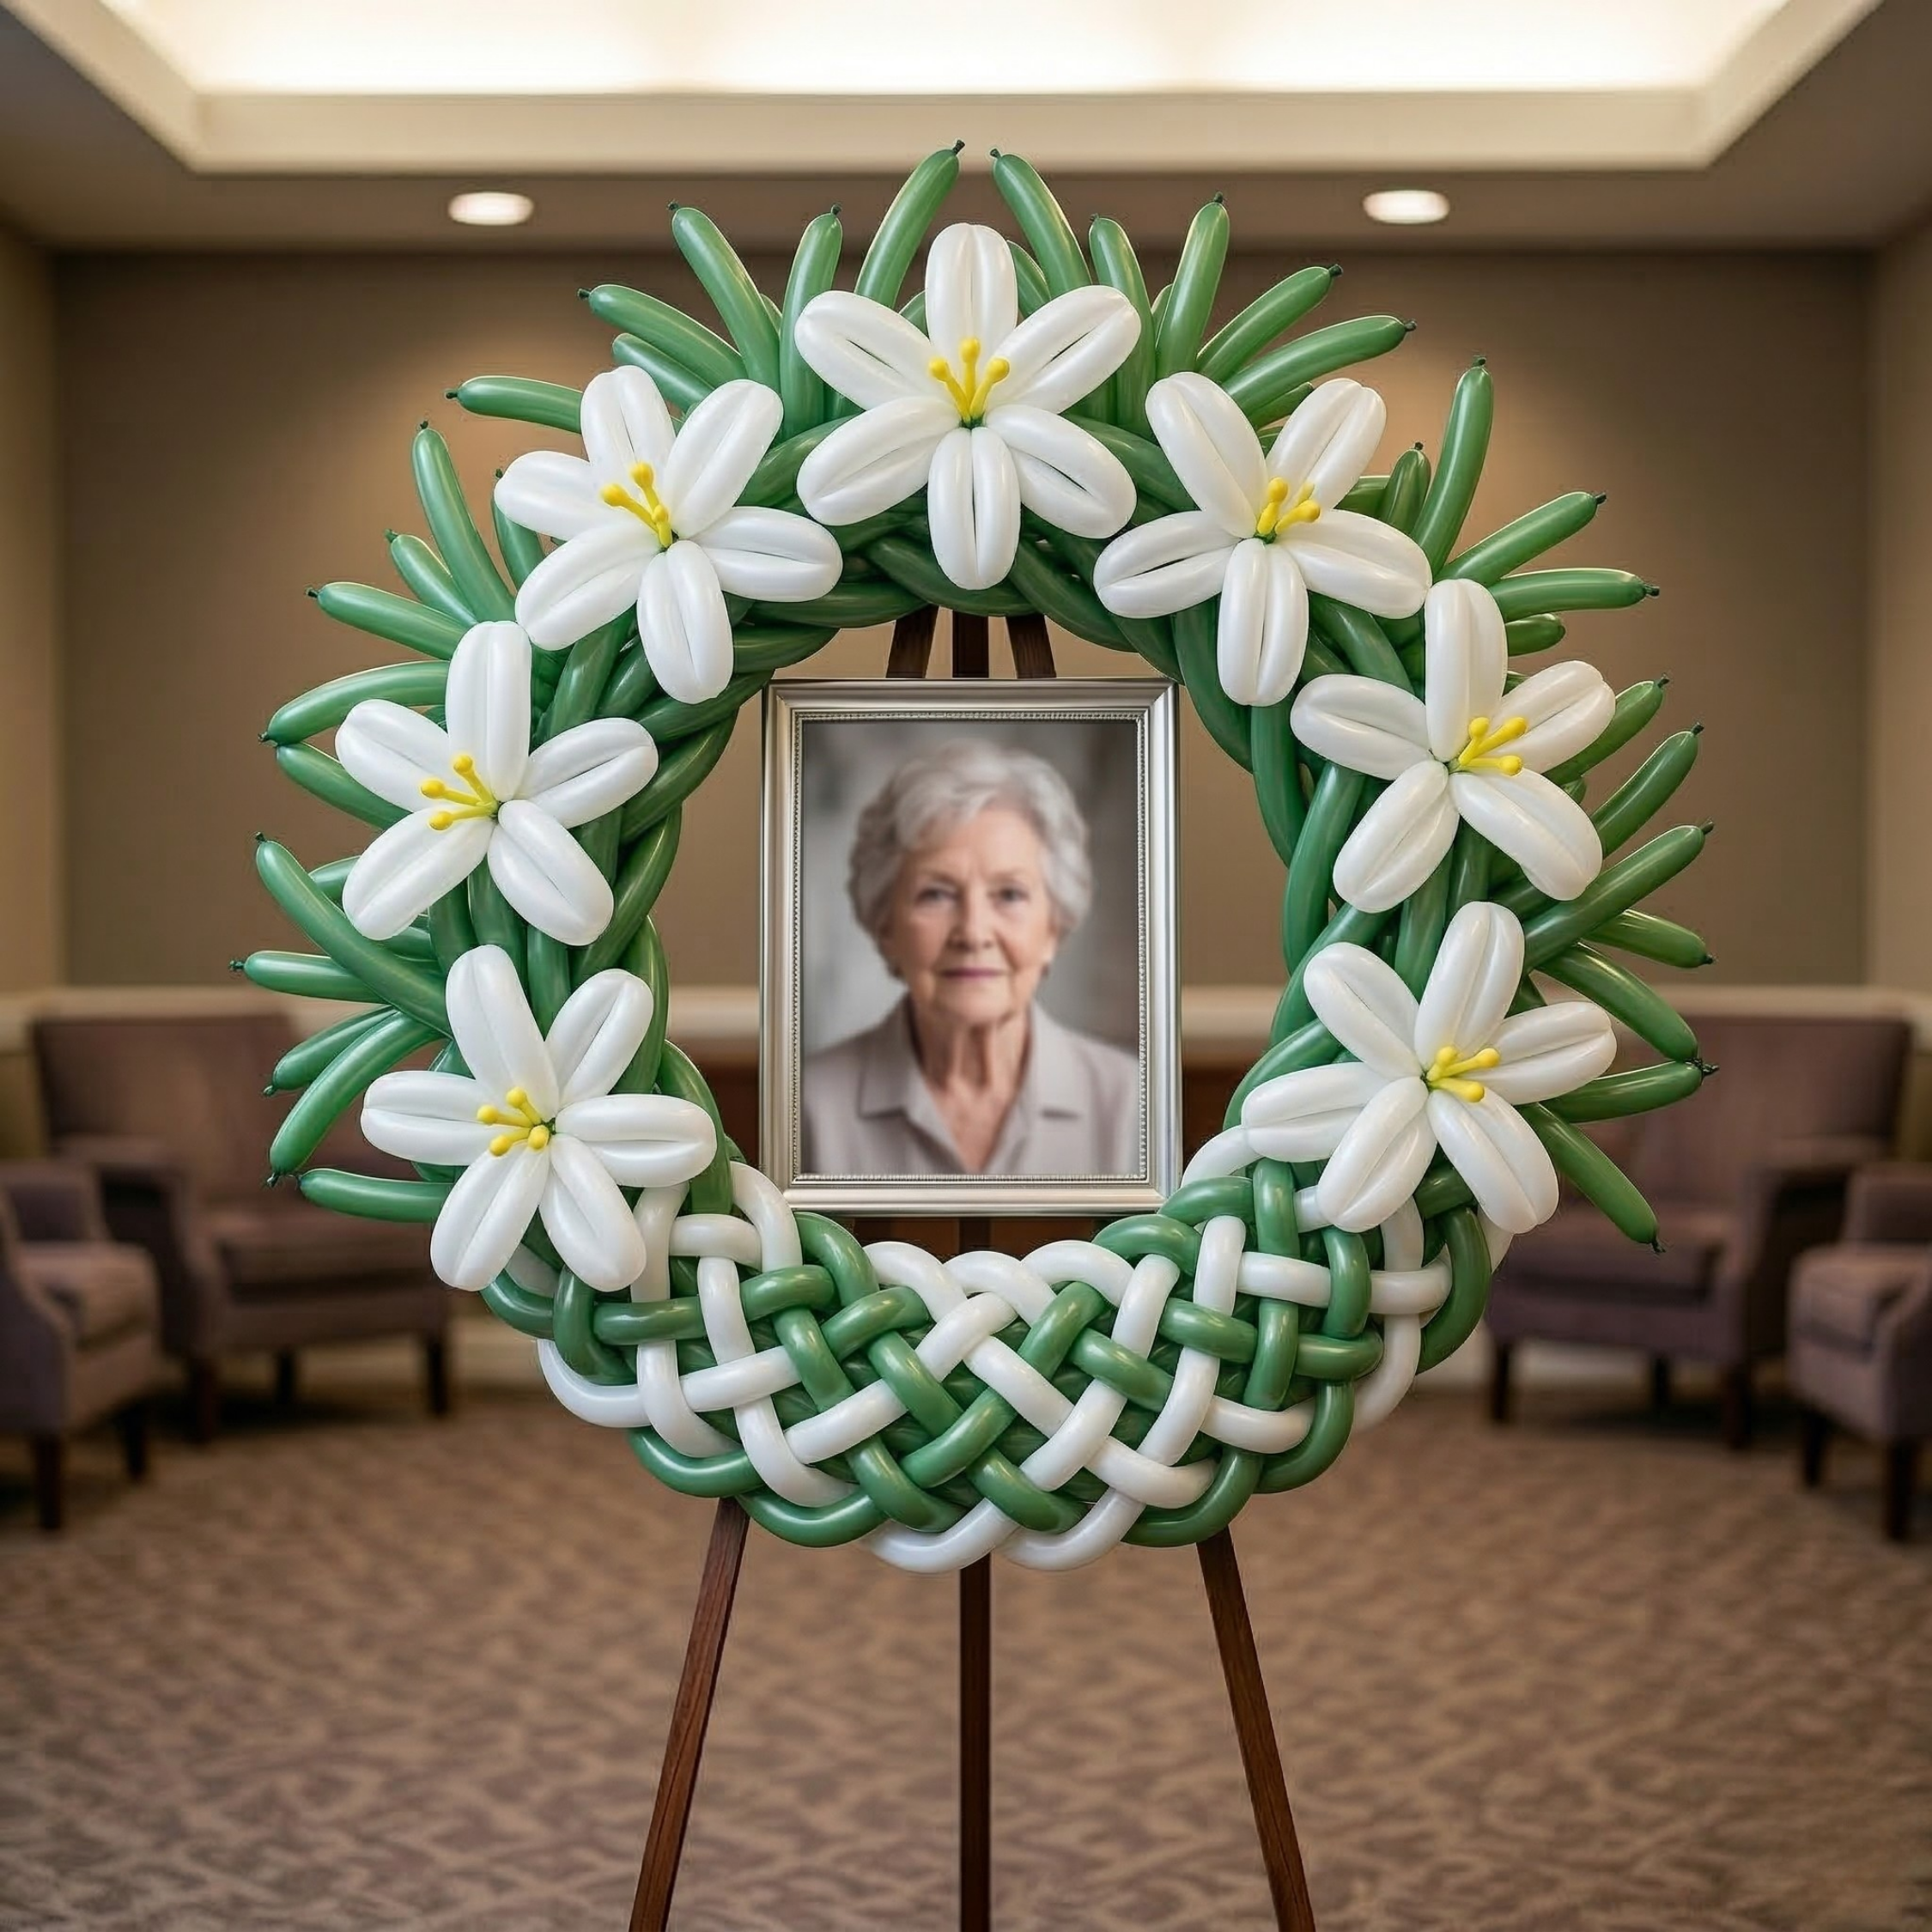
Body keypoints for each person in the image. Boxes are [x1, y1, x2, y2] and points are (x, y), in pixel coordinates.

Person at [801, 737, 1141, 1177]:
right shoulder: (812, 1106)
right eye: (937, 894)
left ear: (1054, 926)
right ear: (884, 924)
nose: (974, 932)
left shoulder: (1130, 1102)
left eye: (1009, 894)